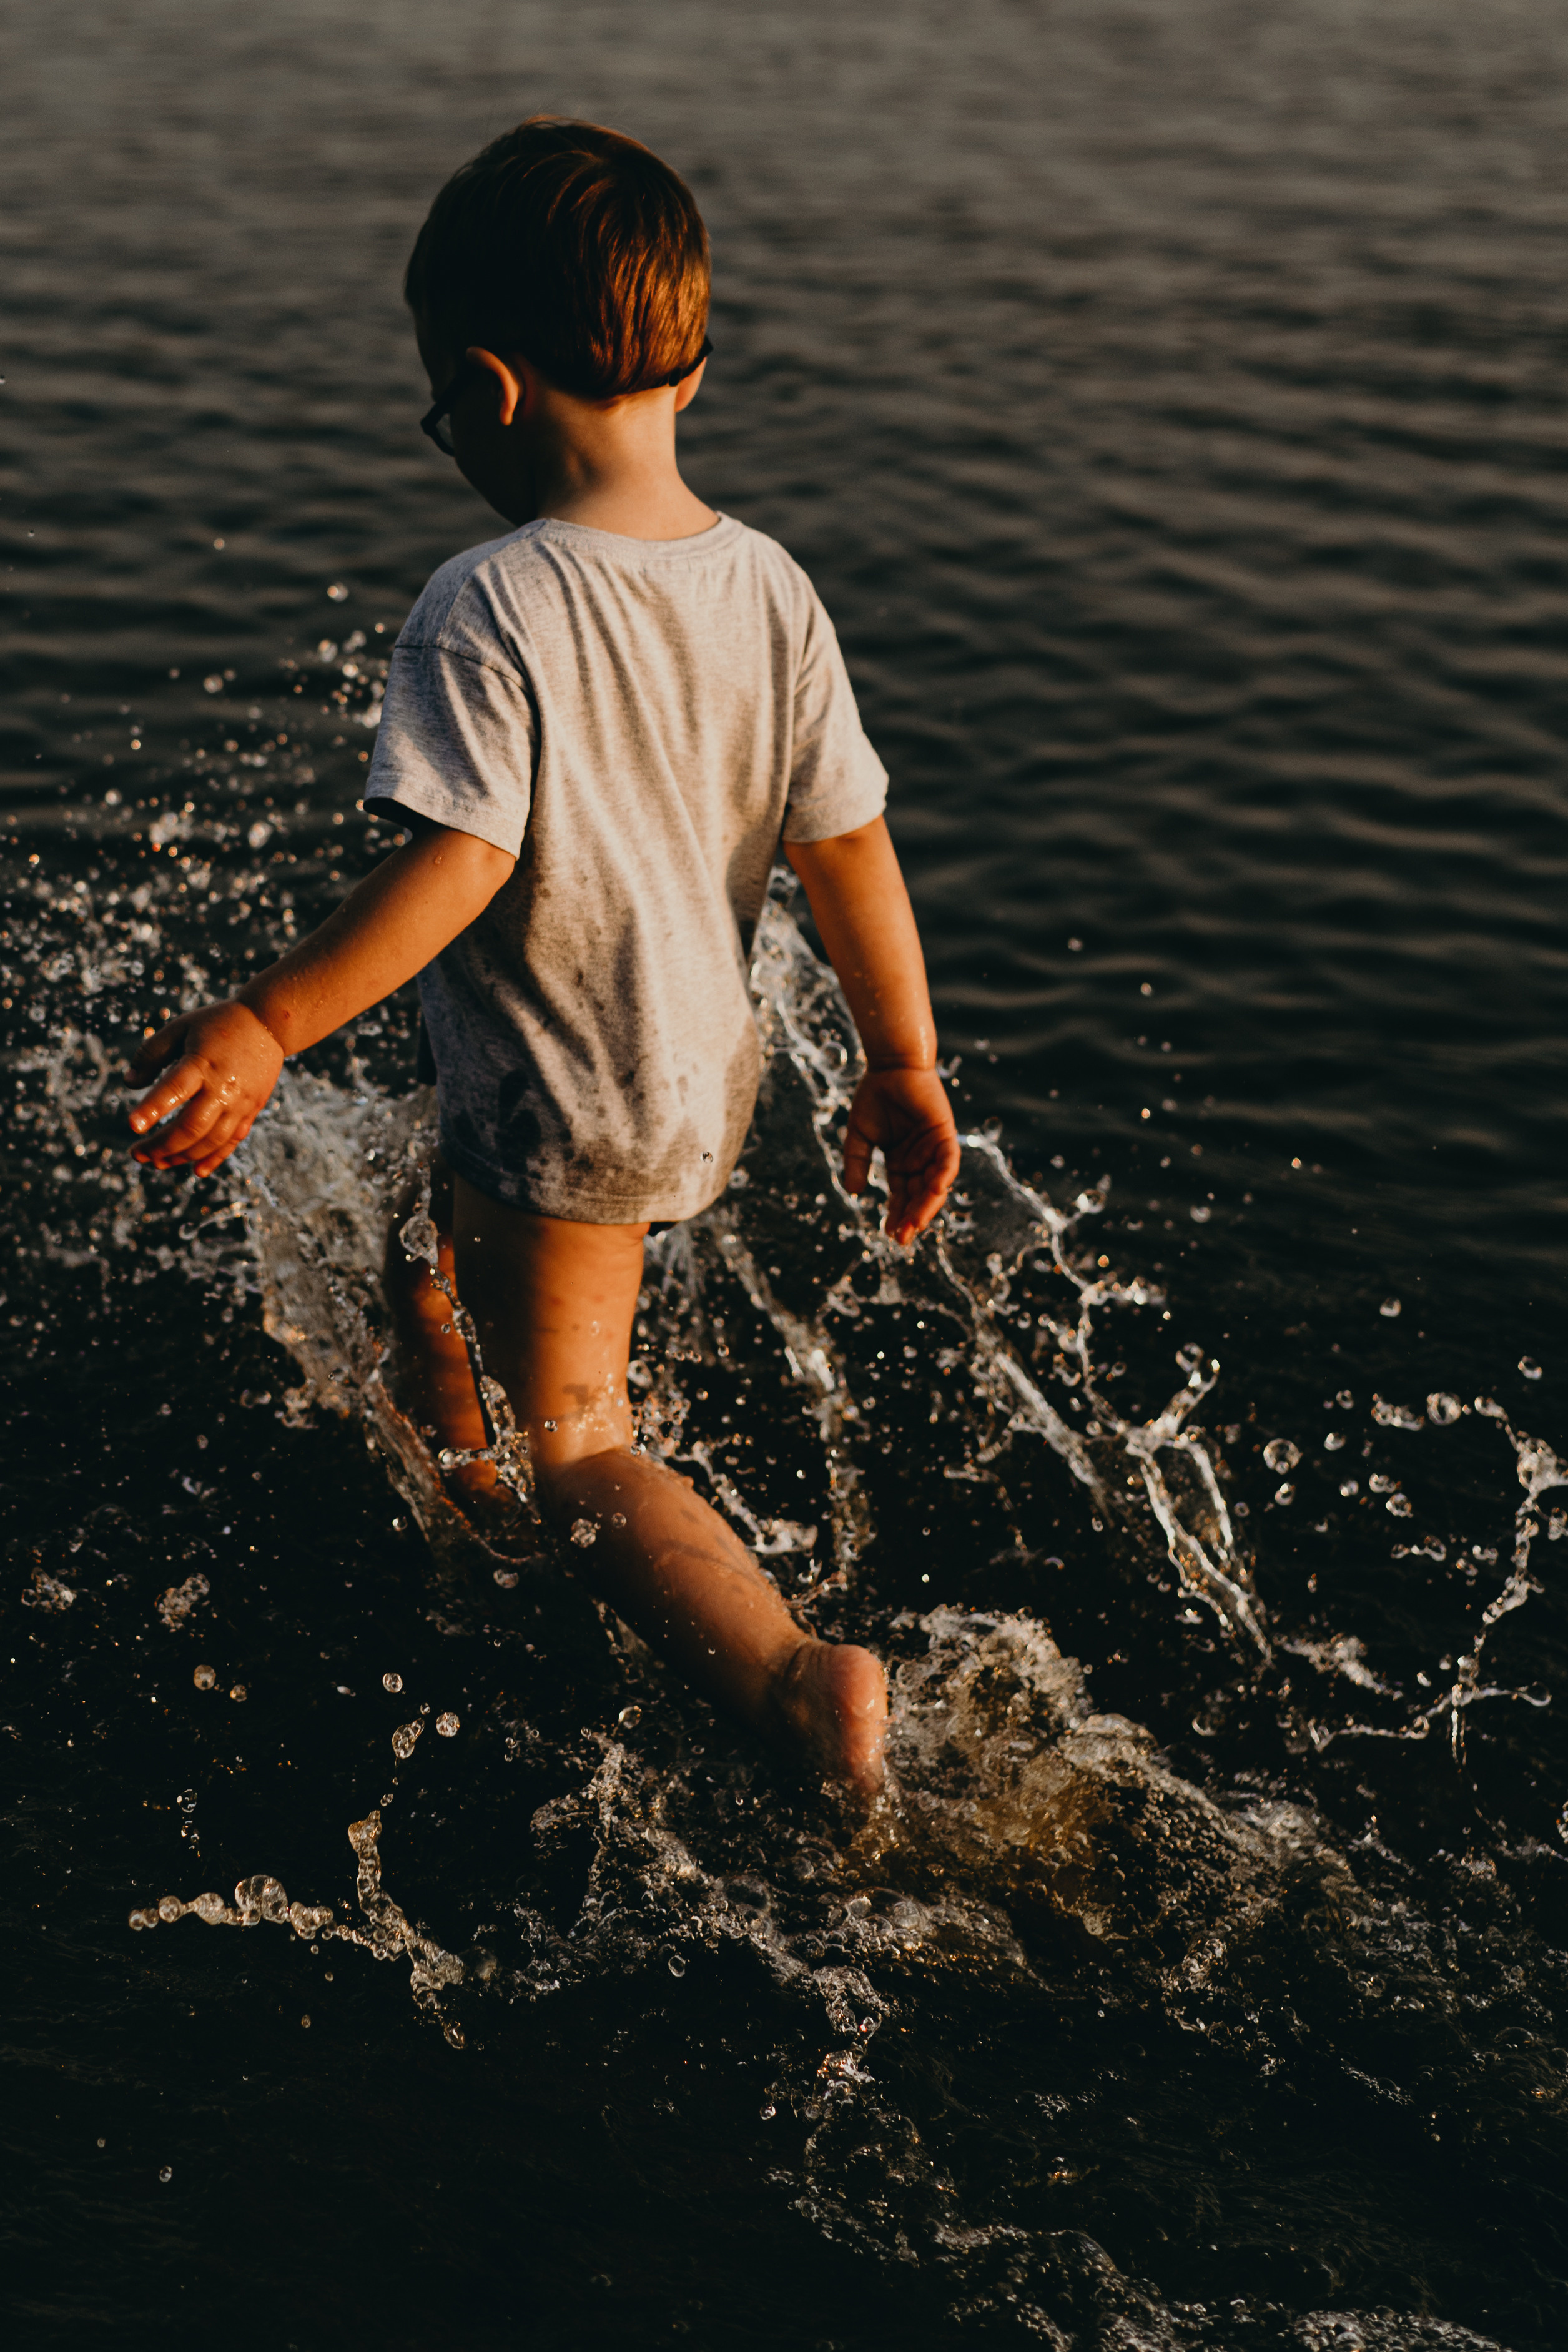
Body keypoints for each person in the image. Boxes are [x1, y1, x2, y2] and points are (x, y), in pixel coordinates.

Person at [126, 117, 960, 1797]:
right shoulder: (769, 587)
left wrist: (269, 1023)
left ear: (494, 394)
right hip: (683, 1066)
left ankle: (791, 1681)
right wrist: (901, 1061)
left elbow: (462, 863)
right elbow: (847, 842)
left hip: (569, 1095)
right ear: (689, 372)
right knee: (427, 1272)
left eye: (441, 409)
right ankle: (472, 1503)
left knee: (586, 1438)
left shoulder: (489, 601)